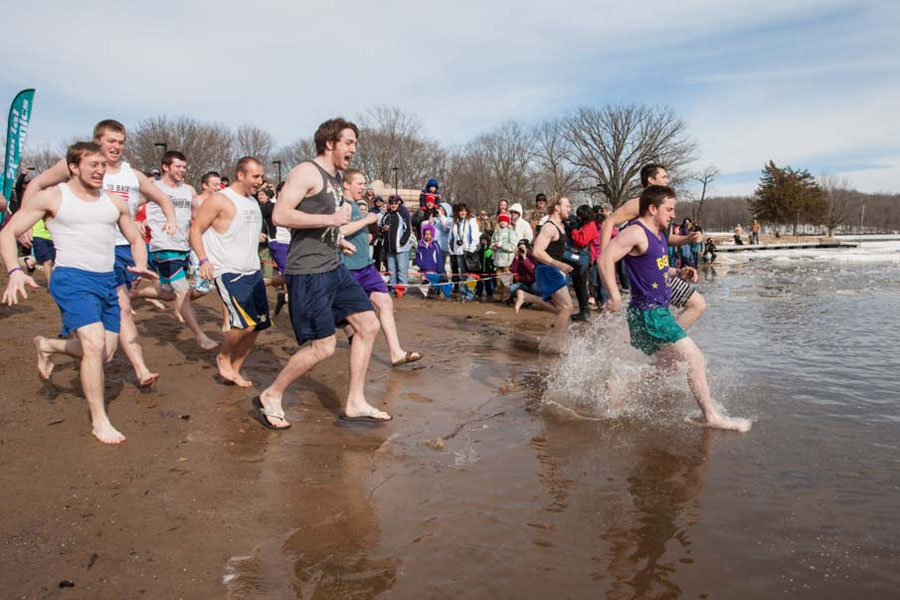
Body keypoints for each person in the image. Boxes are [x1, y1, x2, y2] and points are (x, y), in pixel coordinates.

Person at [1, 142, 156, 444]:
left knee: (107, 352)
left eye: (103, 166)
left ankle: (47, 346)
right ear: (73, 167)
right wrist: (15, 271)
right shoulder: (53, 197)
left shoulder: (114, 201)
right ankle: (99, 421)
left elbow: (135, 238)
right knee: (95, 345)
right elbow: (7, 232)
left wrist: (140, 263)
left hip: (107, 280)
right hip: (72, 279)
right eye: (93, 165)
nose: (100, 171)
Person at [20, 119, 177, 388]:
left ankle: (54, 345)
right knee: (124, 307)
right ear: (97, 142)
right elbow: (37, 183)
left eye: (121, 142)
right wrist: (27, 222)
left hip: (126, 246)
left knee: (115, 317)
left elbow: (162, 197)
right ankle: (139, 367)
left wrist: (170, 218)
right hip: (91, 249)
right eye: (111, 141)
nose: (116, 147)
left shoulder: (132, 174)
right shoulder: (78, 165)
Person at [257, 117, 389, 429]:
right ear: (330, 143)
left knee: (369, 324)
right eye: (348, 142)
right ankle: (272, 395)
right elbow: (280, 214)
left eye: (355, 143)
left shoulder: (333, 179)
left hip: (332, 265)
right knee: (324, 347)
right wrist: (330, 219)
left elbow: (326, 222)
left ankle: (355, 401)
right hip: (308, 271)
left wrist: (338, 238)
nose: (353, 149)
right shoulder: (306, 171)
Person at [598, 185, 750, 432]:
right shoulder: (636, 231)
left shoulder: (658, 234)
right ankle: (711, 416)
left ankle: (624, 380)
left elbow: (654, 267)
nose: (672, 215)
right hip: (649, 313)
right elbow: (605, 258)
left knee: (670, 365)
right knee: (695, 360)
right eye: (668, 210)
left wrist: (678, 271)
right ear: (652, 208)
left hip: (656, 311)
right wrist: (614, 296)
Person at [190, 157, 270, 389]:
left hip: (252, 270)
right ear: (240, 175)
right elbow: (195, 229)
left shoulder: (253, 201)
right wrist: (204, 260)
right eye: (255, 176)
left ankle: (234, 370)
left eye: (261, 176)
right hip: (228, 271)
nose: (260, 181)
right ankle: (223, 357)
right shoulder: (220, 199)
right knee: (245, 325)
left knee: (259, 326)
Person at [599, 164, 707, 331]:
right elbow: (609, 222)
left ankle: (665, 342)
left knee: (696, 305)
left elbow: (668, 239)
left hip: (661, 267)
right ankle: (667, 343)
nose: (667, 180)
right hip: (646, 269)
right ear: (651, 180)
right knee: (695, 304)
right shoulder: (639, 203)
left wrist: (688, 238)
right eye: (663, 177)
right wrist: (606, 256)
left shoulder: (663, 206)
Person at [131, 151, 218, 350]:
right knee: (183, 290)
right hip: (162, 246)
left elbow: (198, 217)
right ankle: (200, 336)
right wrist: (136, 220)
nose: (182, 171)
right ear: (165, 167)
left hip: (183, 247)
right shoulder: (153, 187)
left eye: (184, 167)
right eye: (178, 167)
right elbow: (131, 205)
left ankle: (132, 295)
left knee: (168, 294)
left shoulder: (188, 190)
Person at [340, 168, 422, 366]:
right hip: (350, 269)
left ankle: (396, 352)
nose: (363, 187)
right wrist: (367, 220)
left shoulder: (356, 205)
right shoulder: (344, 206)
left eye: (363, 183)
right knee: (350, 314)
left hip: (366, 266)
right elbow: (339, 231)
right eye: (359, 183)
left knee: (385, 303)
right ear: (346, 184)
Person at [513, 195, 575, 353]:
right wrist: (558, 264)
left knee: (562, 309)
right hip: (548, 270)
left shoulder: (560, 225)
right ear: (557, 207)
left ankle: (527, 297)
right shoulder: (550, 227)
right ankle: (556, 344)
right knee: (567, 308)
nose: (570, 208)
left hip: (553, 271)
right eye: (567, 205)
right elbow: (537, 251)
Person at [448, 202, 480, 299]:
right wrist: (451, 251)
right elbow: (450, 238)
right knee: (462, 275)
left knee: (470, 275)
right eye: (461, 211)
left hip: (468, 251)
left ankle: (470, 294)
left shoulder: (471, 222)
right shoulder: (455, 223)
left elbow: (475, 237)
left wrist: (471, 249)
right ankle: (463, 293)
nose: (463, 213)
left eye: (464, 211)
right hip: (458, 252)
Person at [380, 195, 412, 286]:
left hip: (401, 248)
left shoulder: (403, 214)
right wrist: (383, 229)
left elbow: (408, 230)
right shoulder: (387, 215)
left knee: (401, 270)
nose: (393, 205)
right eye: (391, 203)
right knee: (391, 270)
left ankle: (402, 289)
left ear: (399, 204)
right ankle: (393, 288)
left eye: (395, 203)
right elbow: (380, 228)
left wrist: (402, 241)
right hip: (389, 248)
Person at [474, 233, 496, 301]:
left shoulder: (490, 249)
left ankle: (490, 295)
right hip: (480, 269)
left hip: (488, 269)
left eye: (485, 240)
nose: (483, 242)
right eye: (482, 240)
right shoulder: (479, 249)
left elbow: (490, 258)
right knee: (479, 283)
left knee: (488, 283)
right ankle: (478, 294)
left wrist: (493, 268)